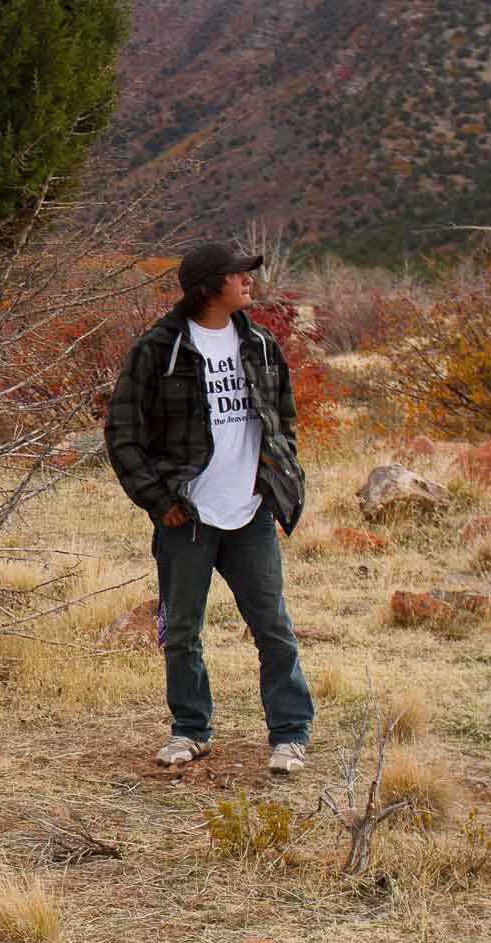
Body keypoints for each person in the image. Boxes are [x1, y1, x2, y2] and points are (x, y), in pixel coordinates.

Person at [103, 242, 313, 774]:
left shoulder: (261, 345)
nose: (248, 280)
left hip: (250, 515)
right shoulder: (158, 349)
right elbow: (122, 435)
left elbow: (283, 421)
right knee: (182, 631)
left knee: (273, 628)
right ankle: (190, 731)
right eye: (237, 274)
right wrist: (160, 500)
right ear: (207, 287)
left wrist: (276, 480)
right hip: (187, 519)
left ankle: (290, 734)